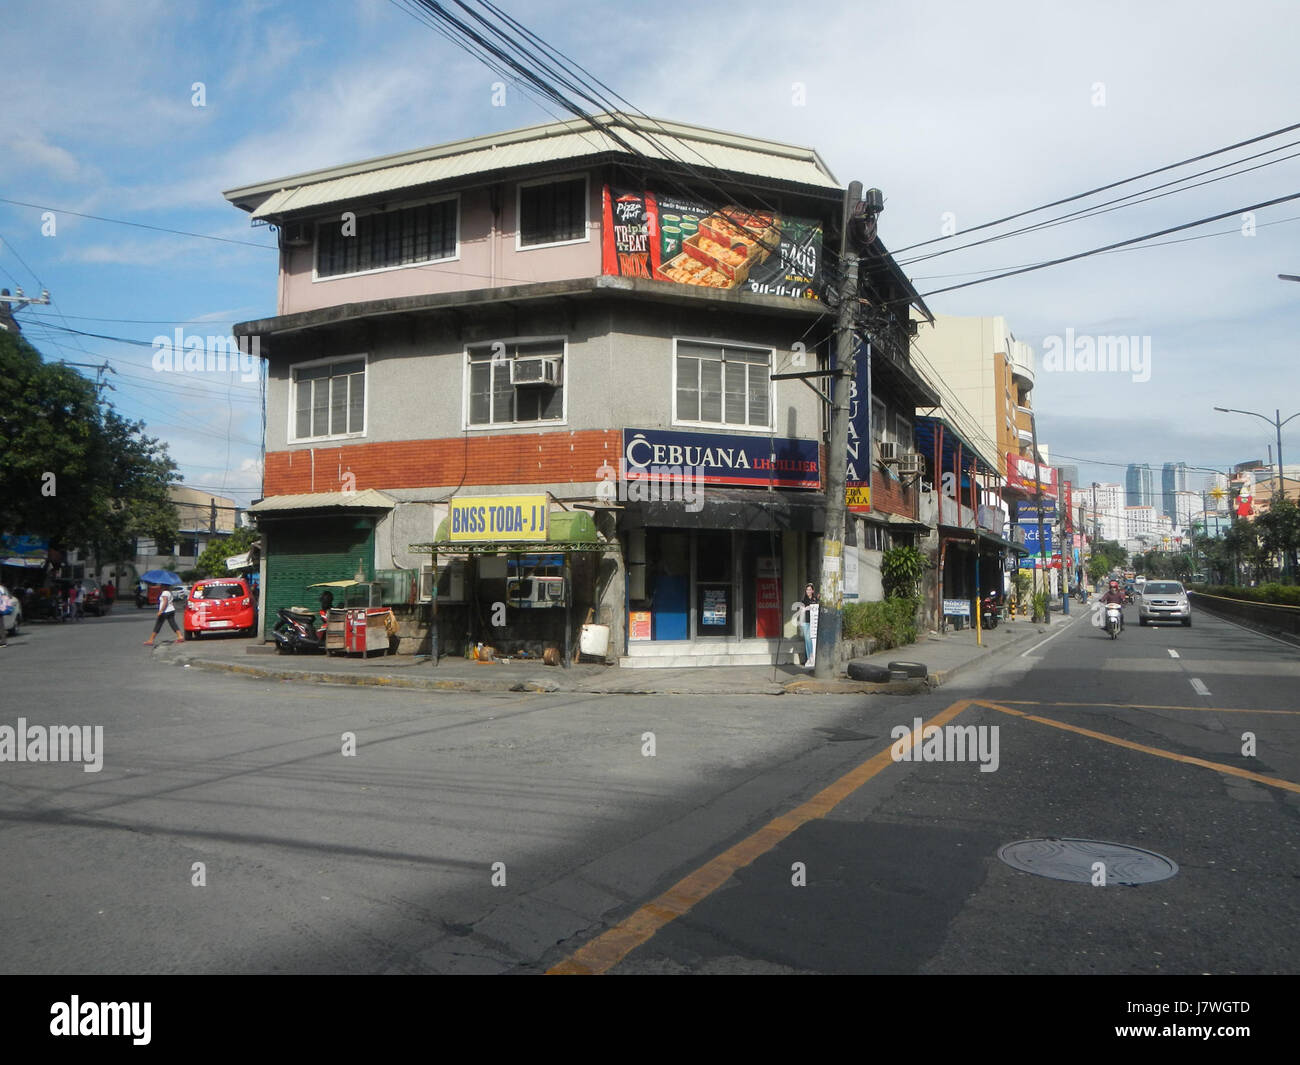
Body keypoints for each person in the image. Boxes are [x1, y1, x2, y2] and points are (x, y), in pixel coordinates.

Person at [798, 583, 818, 668]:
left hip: (813, 622)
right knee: (807, 640)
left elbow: (817, 607)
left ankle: (812, 656)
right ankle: (809, 657)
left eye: (810, 590)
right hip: (806, 622)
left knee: (812, 639)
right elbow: (801, 610)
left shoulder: (815, 599)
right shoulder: (803, 600)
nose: (808, 591)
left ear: (812, 590)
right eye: (807, 590)